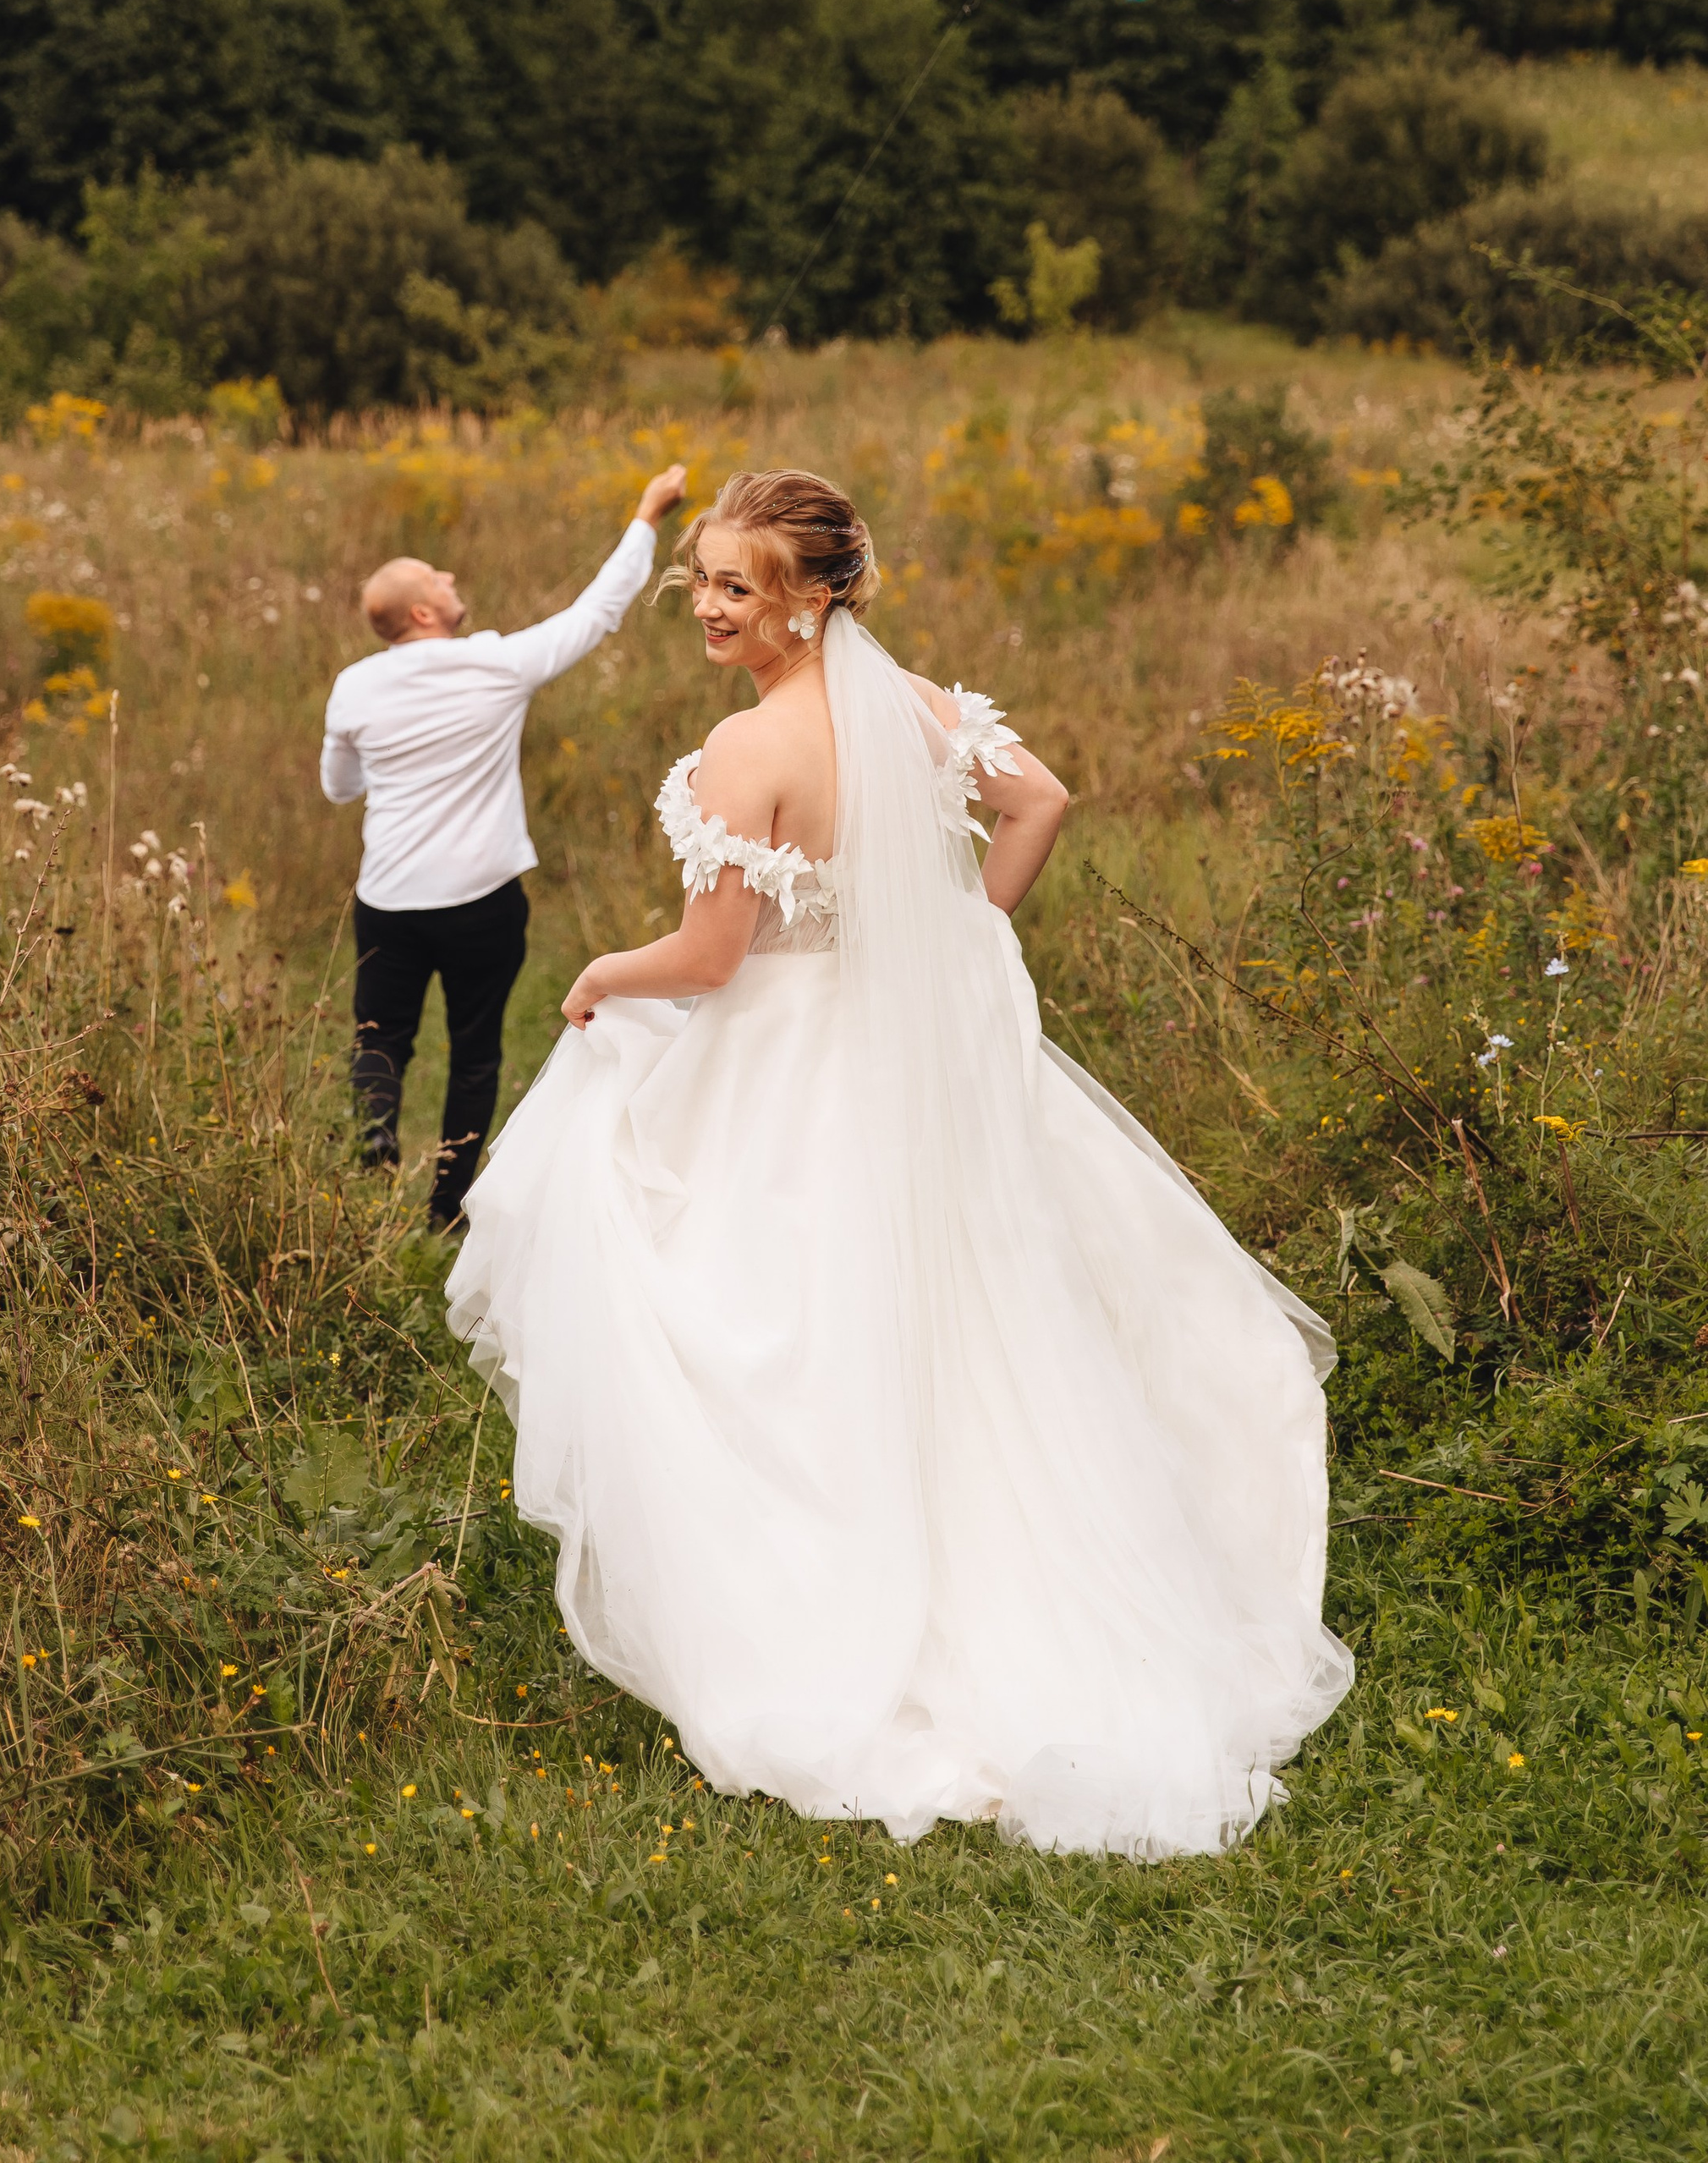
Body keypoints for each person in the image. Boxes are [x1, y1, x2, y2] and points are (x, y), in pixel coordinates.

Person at [446, 467, 1353, 1858]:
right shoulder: (921, 709)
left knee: (768, 1297)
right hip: (910, 1056)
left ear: (813, 597)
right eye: (698, 577)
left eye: (736, 585)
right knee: (958, 1299)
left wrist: (596, 976)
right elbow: (1041, 800)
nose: (706, 605)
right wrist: (958, 941)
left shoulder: (751, 751)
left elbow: (710, 958)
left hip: (795, 1059)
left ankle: (808, 1587)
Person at [320, 463, 689, 1231]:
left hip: (387, 900)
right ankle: (447, 1207)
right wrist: (647, 513)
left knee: (380, 1036)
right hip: (483, 902)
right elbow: (599, 610)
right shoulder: (497, 665)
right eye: (437, 575)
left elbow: (339, 787)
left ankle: (376, 1140)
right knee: (475, 1050)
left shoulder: (354, 687)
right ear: (425, 611)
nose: (451, 575)